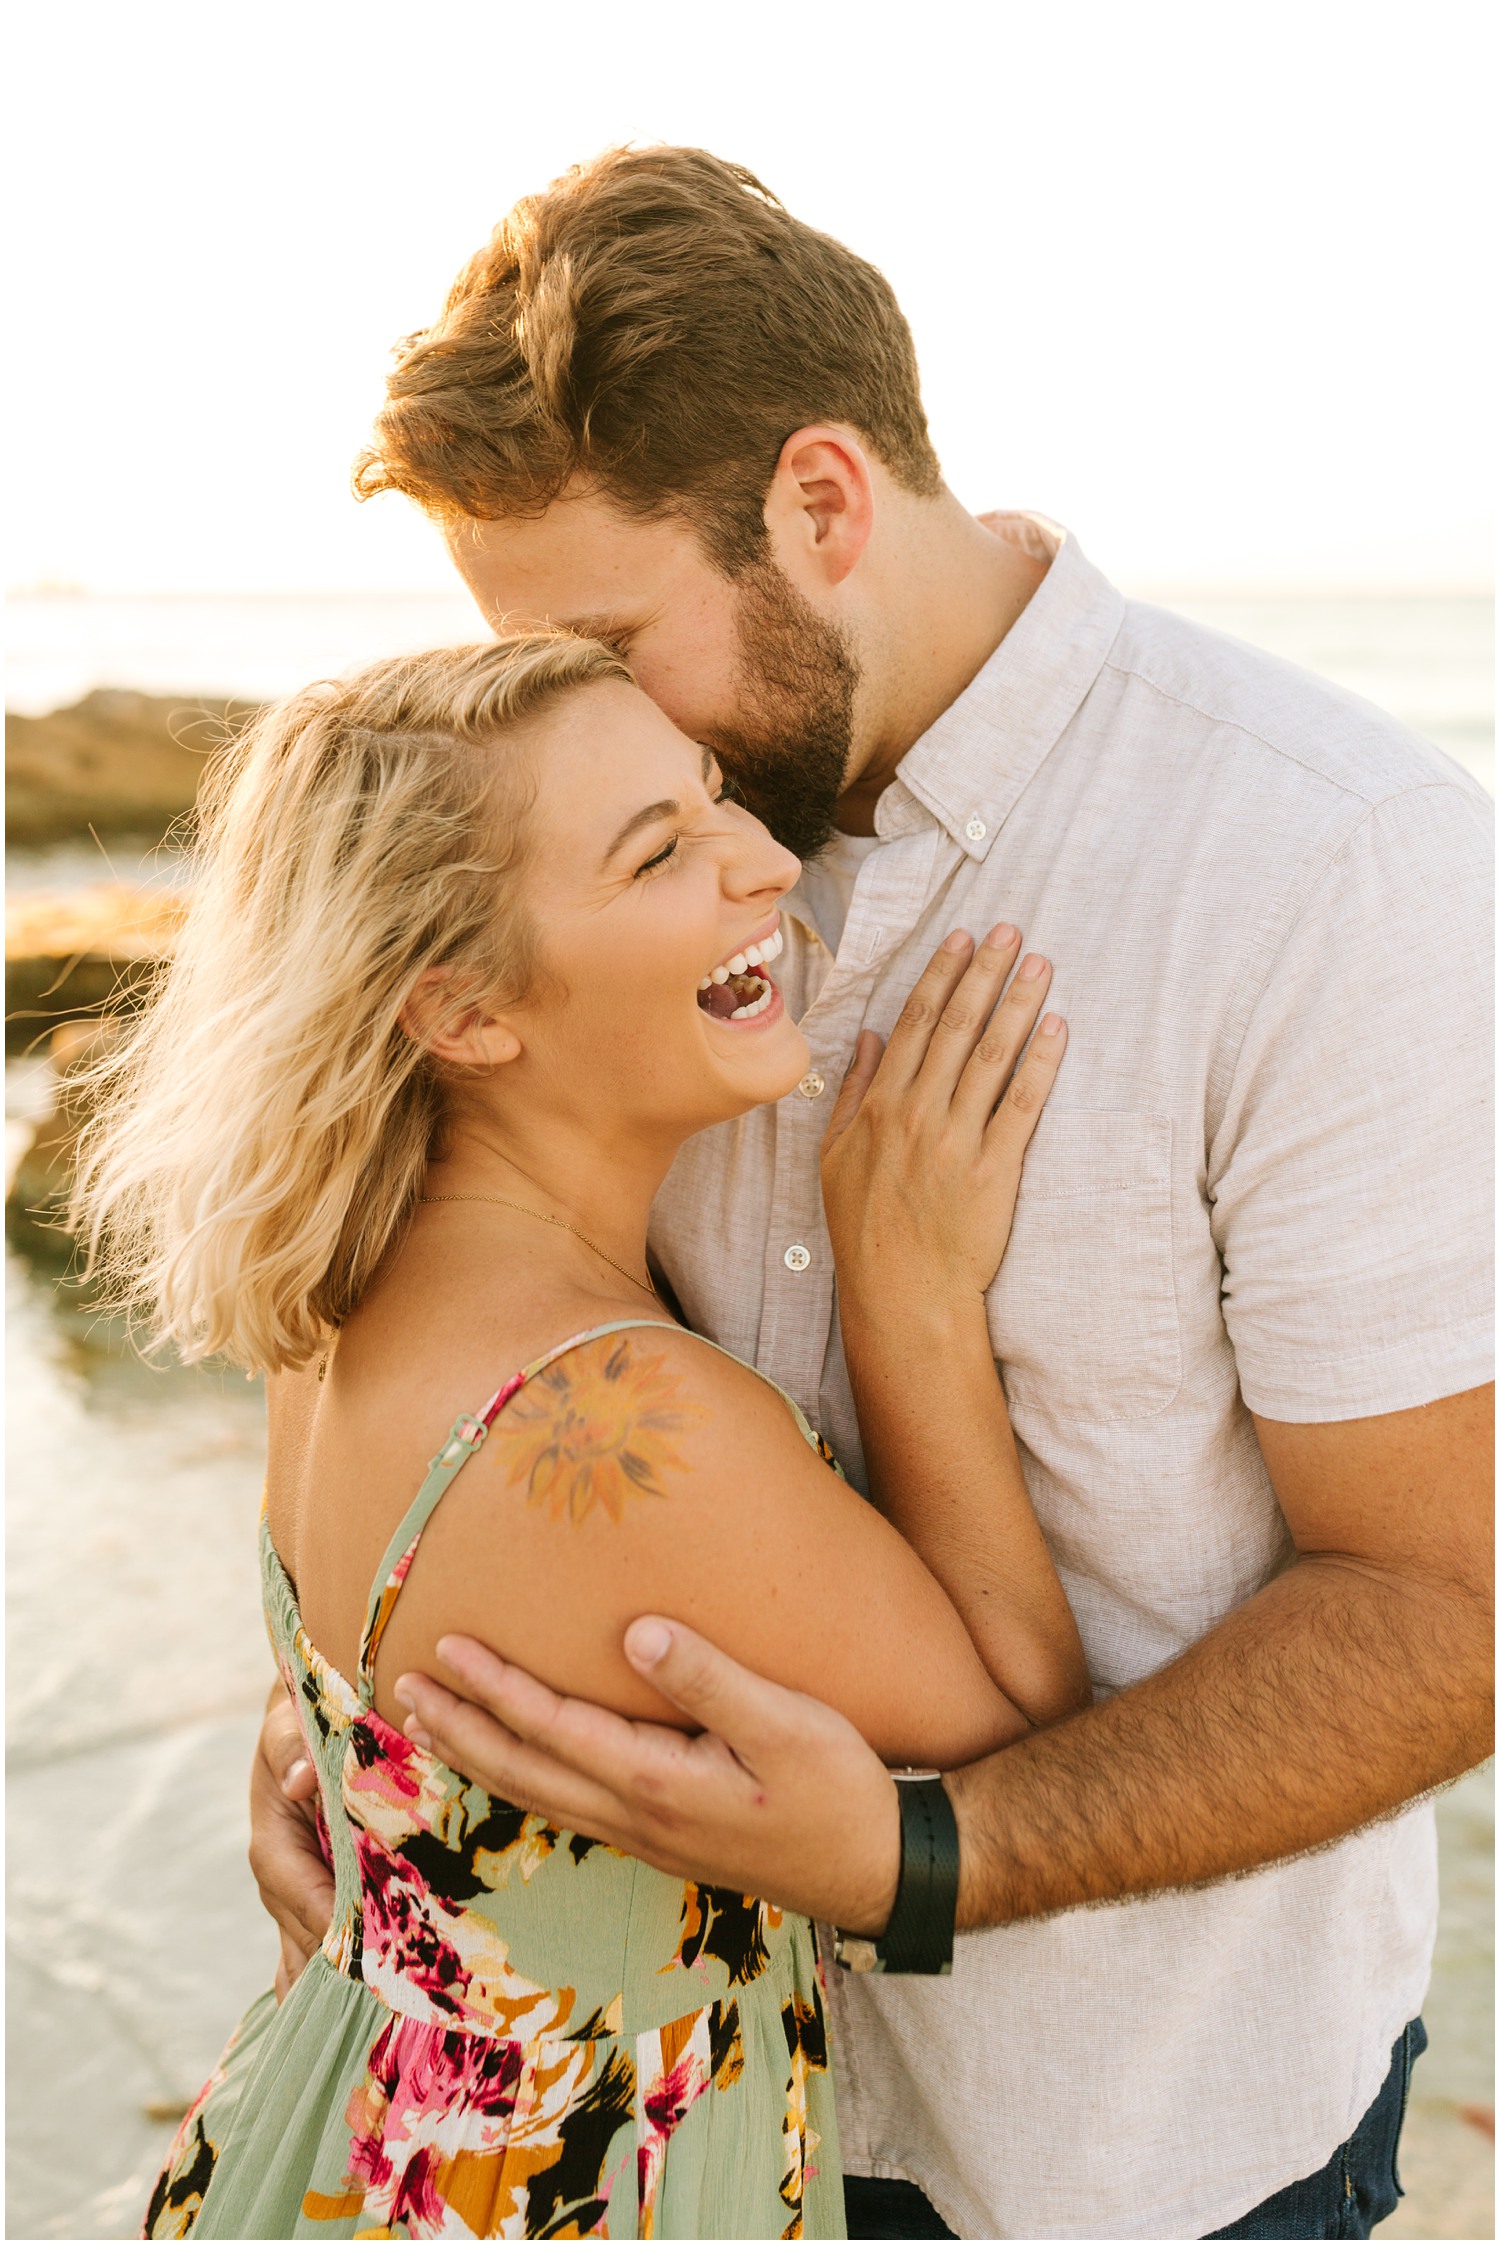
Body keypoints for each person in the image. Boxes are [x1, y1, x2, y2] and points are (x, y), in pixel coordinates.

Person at [247, 146, 1495, 2241]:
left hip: (1135, 2158)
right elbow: (430, 1313)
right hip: (668, 2128)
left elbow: (1452, 1610)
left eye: (613, 638)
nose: (598, 711)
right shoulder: (637, 856)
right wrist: (365, 1773)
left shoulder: (1332, 869)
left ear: (824, 503)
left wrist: (928, 1858)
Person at [73, 633, 1090, 2239]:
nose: (765, 860)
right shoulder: (624, 1423)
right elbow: (1020, 1716)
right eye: (661, 849)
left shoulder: (333, 1293)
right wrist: (909, 1298)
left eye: (712, 800)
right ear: (461, 1006)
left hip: (325, 2126)